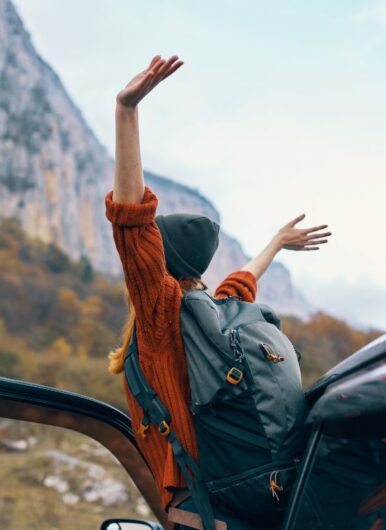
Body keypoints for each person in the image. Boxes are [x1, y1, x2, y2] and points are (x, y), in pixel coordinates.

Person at [105, 54, 331, 529]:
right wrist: (276, 243)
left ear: (159, 263)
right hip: (246, 504)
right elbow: (242, 280)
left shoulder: (163, 318)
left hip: (196, 510)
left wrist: (126, 112)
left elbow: (131, 224)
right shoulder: (219, 314)